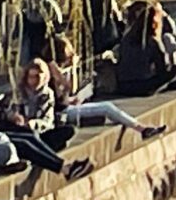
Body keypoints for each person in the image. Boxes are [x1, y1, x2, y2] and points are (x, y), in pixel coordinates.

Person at [24, 57, 165, 139]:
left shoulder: (48, 83)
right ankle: (141, 129)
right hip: (63, 114)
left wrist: (72, 70)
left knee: (106, 109)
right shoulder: (45, 81)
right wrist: (62, 75)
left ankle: (139, 127)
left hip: (66, 107)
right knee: (107, 108)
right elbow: (60, 100)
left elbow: (67, 93)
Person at [113, 0, 176, 97]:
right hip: (143, 87)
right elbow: (162, 69)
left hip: (123, 86)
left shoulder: (126, 38)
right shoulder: (153, 41)